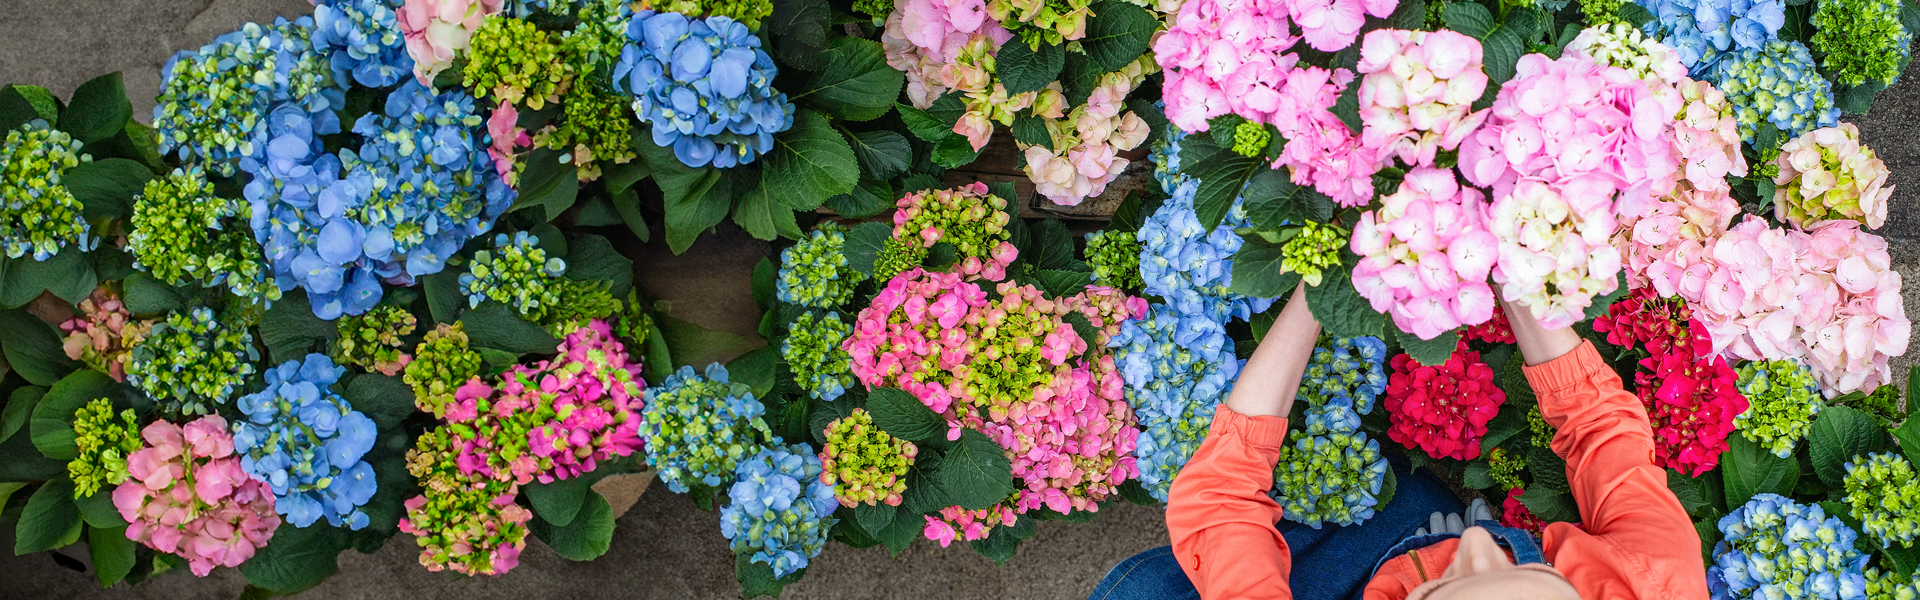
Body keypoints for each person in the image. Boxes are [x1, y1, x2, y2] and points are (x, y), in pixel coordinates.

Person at [1088, 283, 1708, 600]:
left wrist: (1321, 290)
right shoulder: (1654, 584)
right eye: (1545, 581)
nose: (1476, 539)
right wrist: (1511, 267)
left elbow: (1220, 501)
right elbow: (1600, 424)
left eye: (1449, 583)